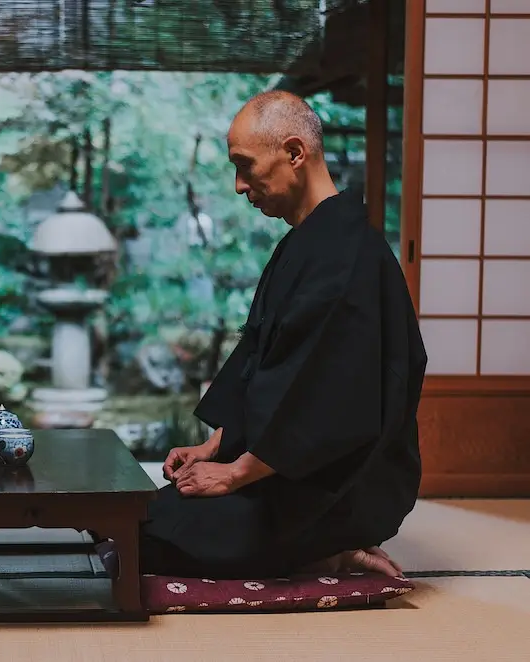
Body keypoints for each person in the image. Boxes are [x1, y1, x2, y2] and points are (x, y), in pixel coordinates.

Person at [137, 90, 426, 579]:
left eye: (245, 166)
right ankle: (321, 547)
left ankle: (331, 545)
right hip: (288, 469)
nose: (238, 185)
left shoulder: (345, 257)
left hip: (332, 484)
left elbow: (325, 401)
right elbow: (266, 367)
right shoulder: (308, 244)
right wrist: (216, 447)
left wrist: (235, 472)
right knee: (145, 517)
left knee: (143, 539)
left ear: (295, 153)